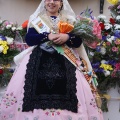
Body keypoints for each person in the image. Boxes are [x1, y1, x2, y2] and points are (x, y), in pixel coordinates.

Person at [0, 0, 104, 120]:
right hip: (37, 60)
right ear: (44, 2)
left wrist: (67, 37)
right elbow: (29, 39)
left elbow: (78, 41)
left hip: (66, 60)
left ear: (61, 3)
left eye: (56, 0)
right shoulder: (37, 20)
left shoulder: (69, 20)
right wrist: (47, 36)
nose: (52, 2)